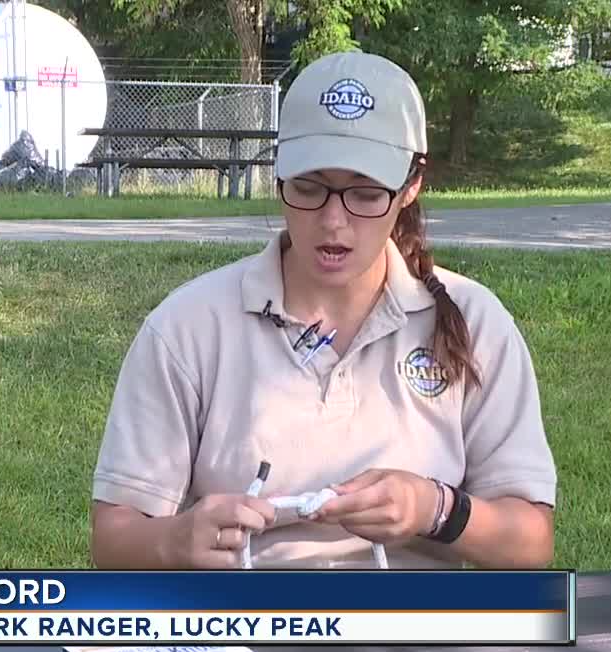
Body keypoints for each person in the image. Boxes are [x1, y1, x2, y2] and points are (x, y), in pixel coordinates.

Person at [88, 50, 557, 570]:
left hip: (414, 636)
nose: (334, 221)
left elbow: (530, 543)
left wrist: (434, 508)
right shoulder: (189, 328)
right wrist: (172, 541)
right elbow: (113, 540)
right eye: (308, 188)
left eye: (364, 193)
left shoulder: (474, 322)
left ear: (412, 184)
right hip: (243, 632)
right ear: (278, 177)